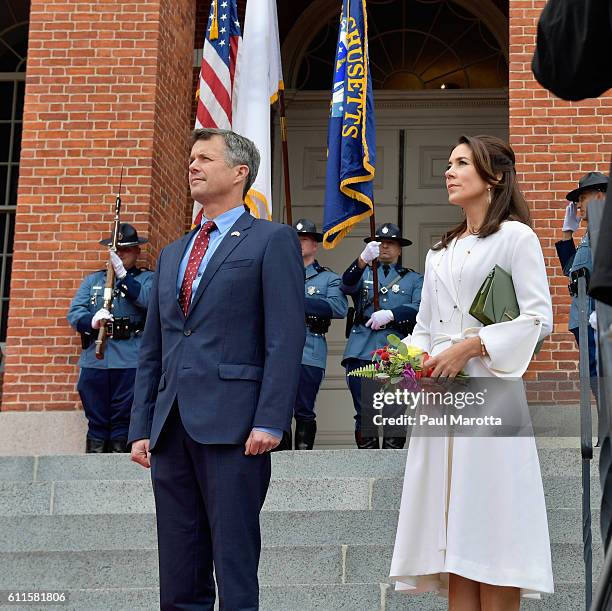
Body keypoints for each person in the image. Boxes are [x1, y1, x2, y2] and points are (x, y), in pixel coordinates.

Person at [128, 128, 305, 610]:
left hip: (234, 425)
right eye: (191, 158)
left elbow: (286, 336)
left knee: (233, 561)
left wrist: (271, 418)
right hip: (170, 428)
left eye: (205, 158)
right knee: (180, 567)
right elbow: (154, 347)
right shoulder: (172, 253)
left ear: (239, 172)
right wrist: (141, 425)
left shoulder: (272, 240)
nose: (192, 166)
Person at [389, 135, 554, 608]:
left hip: (490, 390)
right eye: (448, 162)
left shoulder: (515, 237)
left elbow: (538, 318)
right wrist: (411, 357)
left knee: (492, 520)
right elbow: (424, 327)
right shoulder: (438, 251)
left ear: (494, 177)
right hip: (441, 399)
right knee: (453, 528)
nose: (449, 171)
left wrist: (474, 345)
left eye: (462, 163)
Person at [67, 224, 153, 453]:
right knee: (96, 419)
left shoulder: (145, 280)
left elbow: (151, 302)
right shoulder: (94, 281)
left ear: (137, 252)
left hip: (130, 358)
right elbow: (75, 312)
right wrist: (92, 321)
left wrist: (124, 278)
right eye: (117, 250)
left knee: (123, 421)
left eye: (126, 250)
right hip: (96, 357)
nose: (121, 254)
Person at [341, 223, 422, 449]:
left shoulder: (412, 279)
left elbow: (421, 308)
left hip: (396, 350)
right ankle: (367, 464)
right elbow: (346, 286)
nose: (385, 246)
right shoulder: (363, 271)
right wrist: (362, 260)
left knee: (394, 410)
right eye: (381, 243)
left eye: (391, 243)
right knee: (365, 409)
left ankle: (391, 465)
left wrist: (392, 314)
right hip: (362, 348)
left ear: (399, 249)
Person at [284, 218, 348, 450]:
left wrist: (297, 300)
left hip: (309, 348)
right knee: (279, 407)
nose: (299, 244)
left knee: (304, 407)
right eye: (295, 240)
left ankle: (302, 458)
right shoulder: (279, 275)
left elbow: (338, 308)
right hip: (279, 348)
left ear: (314, 245)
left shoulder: (328, 278)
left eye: (304, 240)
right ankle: (279, 461)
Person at [555, 172, 607, 391]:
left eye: (582, 198)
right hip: (583, 317)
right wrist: (568, 234)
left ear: (600, 196)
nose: (577, 205)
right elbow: (572, 271)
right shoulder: (591, 230)